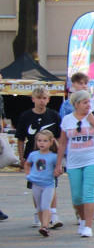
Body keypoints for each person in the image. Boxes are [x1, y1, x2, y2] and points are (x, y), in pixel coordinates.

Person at [56, 90, 94, 238]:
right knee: (76, 196)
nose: (88, 104)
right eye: (85, 102)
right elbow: (62, 143)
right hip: (73, 161)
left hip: (92, 159)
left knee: (88, 193)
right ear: (76, 104)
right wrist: (58, 163)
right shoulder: (67, 120)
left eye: (89, 101)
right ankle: (82, 219)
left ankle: (88, 226)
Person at [16, 85, 62, 229]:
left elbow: (60, 137)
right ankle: (38, 213)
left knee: (51, 184)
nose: (41, 101)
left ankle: (52, 213)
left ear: (48, 99)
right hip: (33, 154)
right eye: (39, 98)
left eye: (44, 98)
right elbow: (20, 138)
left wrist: (60, 157)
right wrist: (22, 158)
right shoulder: (26, 116)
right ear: (33, 99)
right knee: (36, 185)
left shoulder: (54, 115)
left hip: (51, 155)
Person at [23, 130, 59, 237]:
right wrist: (28, 175)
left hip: (48, 184)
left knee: (45, 205)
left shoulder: (53, 156)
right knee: (38, 206)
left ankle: (45, 225)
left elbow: (59, 166)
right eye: (39, 141)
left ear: (51, 142)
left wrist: (57, 172)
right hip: (36, 183)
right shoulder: (33, 154)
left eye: (45, 141)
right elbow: (27, 164)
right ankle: (42, 224)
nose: (41, 143)